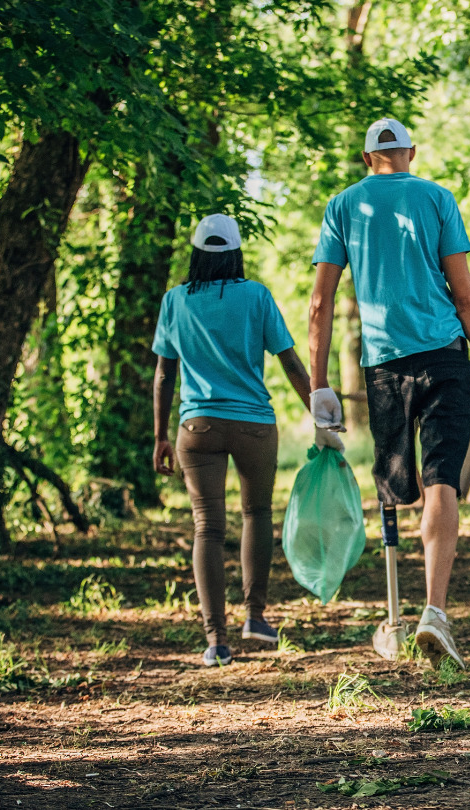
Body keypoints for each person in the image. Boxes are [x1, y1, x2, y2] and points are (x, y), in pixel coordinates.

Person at [307, 118, 470, 670]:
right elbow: (466, 295)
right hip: (445, 356)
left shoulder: (343, 206)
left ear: (365, 156)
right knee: (441, 478)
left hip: (383, 367)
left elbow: (319, 304)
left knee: (394, 484)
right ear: (410, 153)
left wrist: (318, 384)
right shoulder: (437, 198)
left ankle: (397, 614)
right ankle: (435, 612)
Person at [152, 213, 339, 667]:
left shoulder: (175, 301)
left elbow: (163, 374)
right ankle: (255, 616)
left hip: (197, 429)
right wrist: (322, 417)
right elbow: (292, 364)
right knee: (257, 513)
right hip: (254, 424)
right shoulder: (256, 296)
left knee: (207, 528)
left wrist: (159, 436)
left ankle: (215, 640)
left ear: (197, 254)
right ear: (235, 254)